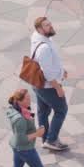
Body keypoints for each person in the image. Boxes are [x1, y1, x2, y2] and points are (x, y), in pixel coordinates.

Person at [5, 88, 68, 167]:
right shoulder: (20, 120)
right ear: (19, 101)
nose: (30, 100)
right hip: (26, 149)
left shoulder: (14, 108)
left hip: (16, 147)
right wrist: (37, 134)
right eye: (27, 99)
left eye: (29, 97)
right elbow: (22, 139)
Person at [29, 17, 70, 151]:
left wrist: (61, 71)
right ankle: (51, 140)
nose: (50, 26)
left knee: (43, 112)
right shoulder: (44, 48)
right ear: (39, 29)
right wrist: (57, 87)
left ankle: (45, 138)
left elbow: (50, 64)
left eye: (50, 24)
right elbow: (47, 72)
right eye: (46, 25)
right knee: (61, 110)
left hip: (37, 84)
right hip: (48, 87)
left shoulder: (38, 38)